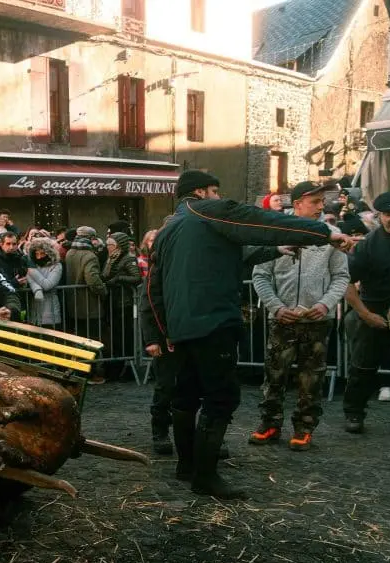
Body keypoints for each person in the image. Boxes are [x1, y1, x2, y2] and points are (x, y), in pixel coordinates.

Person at [145, 170, 357, 500]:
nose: (219, 196)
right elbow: (262, 221)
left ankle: (187, 466)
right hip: (213, 321)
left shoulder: (170, 227)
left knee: (185, 396)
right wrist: (323, 233)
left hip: (181, 327)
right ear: (201, 192)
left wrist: (163, 330)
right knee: (221, 398)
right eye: (215, 190)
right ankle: (205, 476)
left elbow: (153, 286)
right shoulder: (208, 210)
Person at [249, 182, 350, 451]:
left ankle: (304, 428)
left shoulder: (332, 235)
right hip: (282, 319)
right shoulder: (275, 233)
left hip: (316, 321)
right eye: (315, 201)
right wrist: (276, 307)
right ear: (297, 204)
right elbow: (260, 276)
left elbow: (341, 277)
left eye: (322, 201)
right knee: (274, 375)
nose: (321, 206)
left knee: (311, 378)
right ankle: (269, 423)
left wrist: (325, 304)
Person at [342, 190, 390, 440]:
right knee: (362, 367)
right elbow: (346, 283)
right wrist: (364, 314)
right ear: (380, 216)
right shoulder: (369, 245)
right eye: (388, 215)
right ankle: (354, 413)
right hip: (374, 316)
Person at [65, 229, 107, 384]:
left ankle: (79, 371)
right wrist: (104, 291)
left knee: (79, 340)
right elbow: (93, 280)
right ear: (91, 238)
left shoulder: (70, 253)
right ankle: (92, 373)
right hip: (89, 305)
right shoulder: (89, 256)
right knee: (93, 341)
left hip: (73, 304)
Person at [102, 231, 142, 370]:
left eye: (111, 244)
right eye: (107, 244)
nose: (108, 247)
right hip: (112, 301)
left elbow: (137, 278)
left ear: (119, 245)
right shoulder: (110, 258)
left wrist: (119, 279)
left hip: (124, 302)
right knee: (116, 336)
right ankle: (117, 366)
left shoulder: (128, 258)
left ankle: (127, 367)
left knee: (125, 336)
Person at [26, 237, 63, 330]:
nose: (39, 257)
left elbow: (48, 285)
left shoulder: (56, 266)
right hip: (34, 309)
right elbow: (30, 280)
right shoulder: (34, 265)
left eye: (42, 253)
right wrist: (37, 289)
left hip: (50, 308)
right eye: (36, 254)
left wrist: (32, 271)